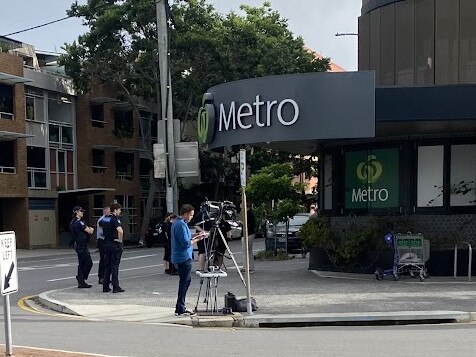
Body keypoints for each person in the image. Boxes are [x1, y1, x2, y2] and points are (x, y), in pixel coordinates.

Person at [171, 204, 206, 316]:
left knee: (186, 281)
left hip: (181, 257)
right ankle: (180, 308)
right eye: (191, 215)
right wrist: (198, 239)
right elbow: (185, 243)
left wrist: (196, 234)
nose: (191, 217)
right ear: (185, 214)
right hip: (183, 257)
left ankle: (180, 307)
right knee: (184, 282)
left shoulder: (179, 223)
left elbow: (186, 236)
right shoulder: (180, 224)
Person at [100, 203, 125, 293]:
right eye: (119, 210)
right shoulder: (115, 219)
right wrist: (120, 240)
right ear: (115, 210)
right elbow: (120, 231)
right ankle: (115, 286)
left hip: (106, 243)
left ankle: (105, 286)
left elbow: (100, 225)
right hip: (114, 243)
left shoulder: (105, 219)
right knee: (115, 266)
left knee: (108, 266)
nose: (120, 211)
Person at [70, 206, 94, 288]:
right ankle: (81, 278)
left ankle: (81, 281)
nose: (82, 212)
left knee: (82, 263)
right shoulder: (79, 222)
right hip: (81, 245)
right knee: (88, 263)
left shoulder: (73, 222)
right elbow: (90, 231)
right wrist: (91, 229)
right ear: (76, 212)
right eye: (81, 211)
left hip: (79, 244)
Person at [193, 205, 212, 271]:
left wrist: (203, 231)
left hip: (202, 234)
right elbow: (195, 225)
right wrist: (205, 232)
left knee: (202, 252)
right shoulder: (208, 215)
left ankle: (202, 268)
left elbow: (195, 225)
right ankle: (203, 268)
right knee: (203, 252)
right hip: (204, 235)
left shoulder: (199, 215)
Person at [96, 205, 110, 284]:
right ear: (105, 211)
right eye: (109, 211)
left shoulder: (108, 219)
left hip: (106, 241)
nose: (110, 212)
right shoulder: (102, 220)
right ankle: (101, 277)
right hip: (102, 241)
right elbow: (102, 232)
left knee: (107, 259)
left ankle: (106, 276)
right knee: (103, 259)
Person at [241, 204, 256, 272]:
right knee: (249, 251)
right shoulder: (250, 213)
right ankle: (250, 266)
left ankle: (247, 267)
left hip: (248, 233)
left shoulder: (248, 213)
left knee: (246, 250)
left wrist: (241, 223)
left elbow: (248, 224)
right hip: (250, 233)